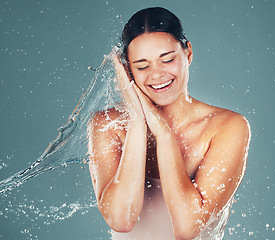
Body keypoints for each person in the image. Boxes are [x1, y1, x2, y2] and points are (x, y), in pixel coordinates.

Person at [88, 7, 250, 240]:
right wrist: (137, 121)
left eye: (167, 59)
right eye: (143, 66)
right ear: (127, 71)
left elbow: (188, 227)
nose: (157, 74)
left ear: (188, 53)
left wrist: (163, 133)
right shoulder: (108, 125)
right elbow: (121, 220)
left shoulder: (226, 127)